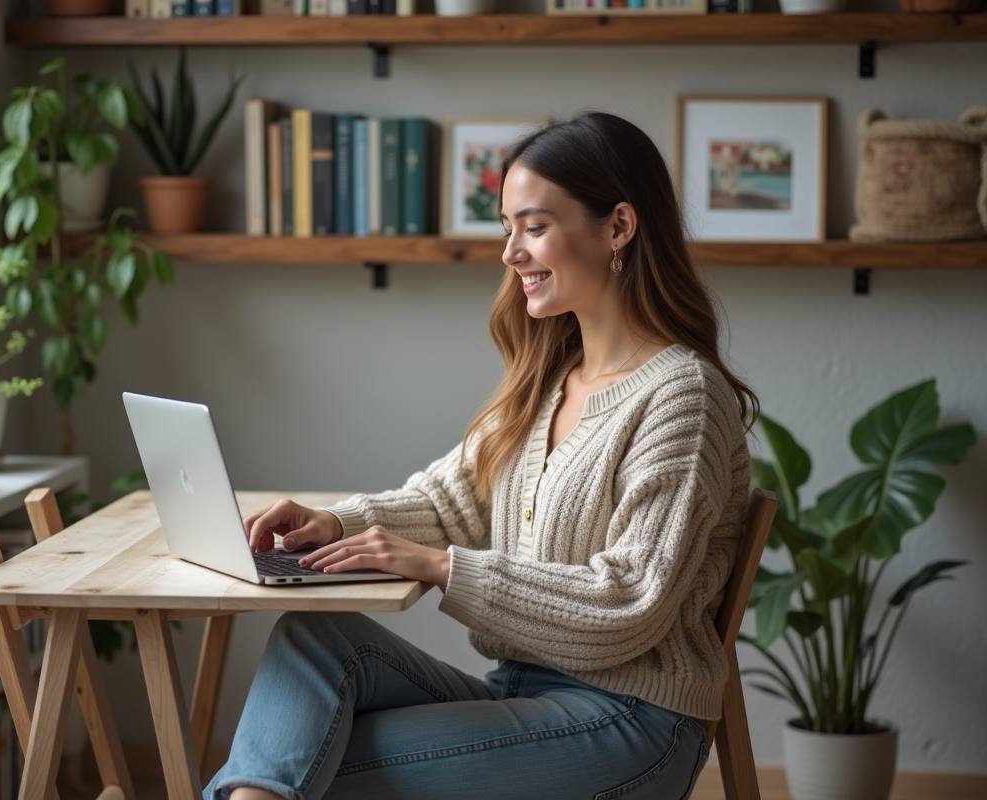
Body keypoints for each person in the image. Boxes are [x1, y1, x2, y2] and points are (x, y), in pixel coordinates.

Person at [205, 110, 758, 800]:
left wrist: (441, 569)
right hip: (522, 692)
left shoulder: (682, 397)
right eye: (507, 229)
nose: (510, 253)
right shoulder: (551, 380)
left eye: (534, 226)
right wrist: (335, 523)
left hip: (627, 722)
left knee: (290, 766)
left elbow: (630, 603)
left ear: (618, 227)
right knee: (311, 643)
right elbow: (450, 500)